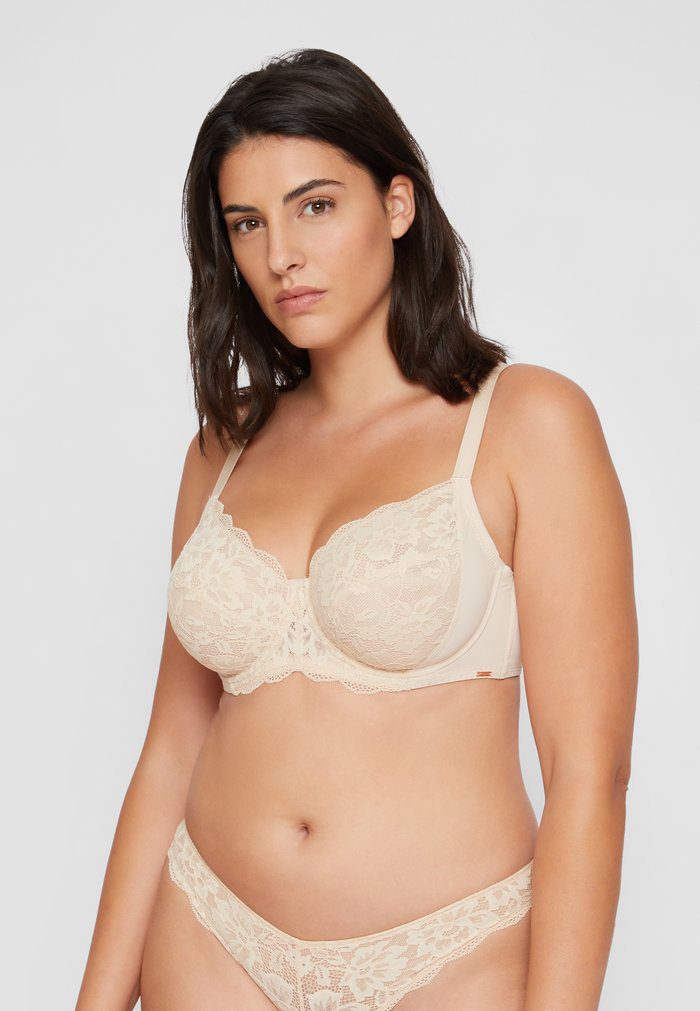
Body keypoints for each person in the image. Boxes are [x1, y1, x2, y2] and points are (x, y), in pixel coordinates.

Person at [76, 48, 638, 1011]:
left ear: (398, 204)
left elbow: (590, 771)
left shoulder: (528, 423)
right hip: (210, 936)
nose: (280, 255)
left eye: (316, 205)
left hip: (451, 954)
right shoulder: (224, 445)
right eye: (246, 222)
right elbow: (171, 745)